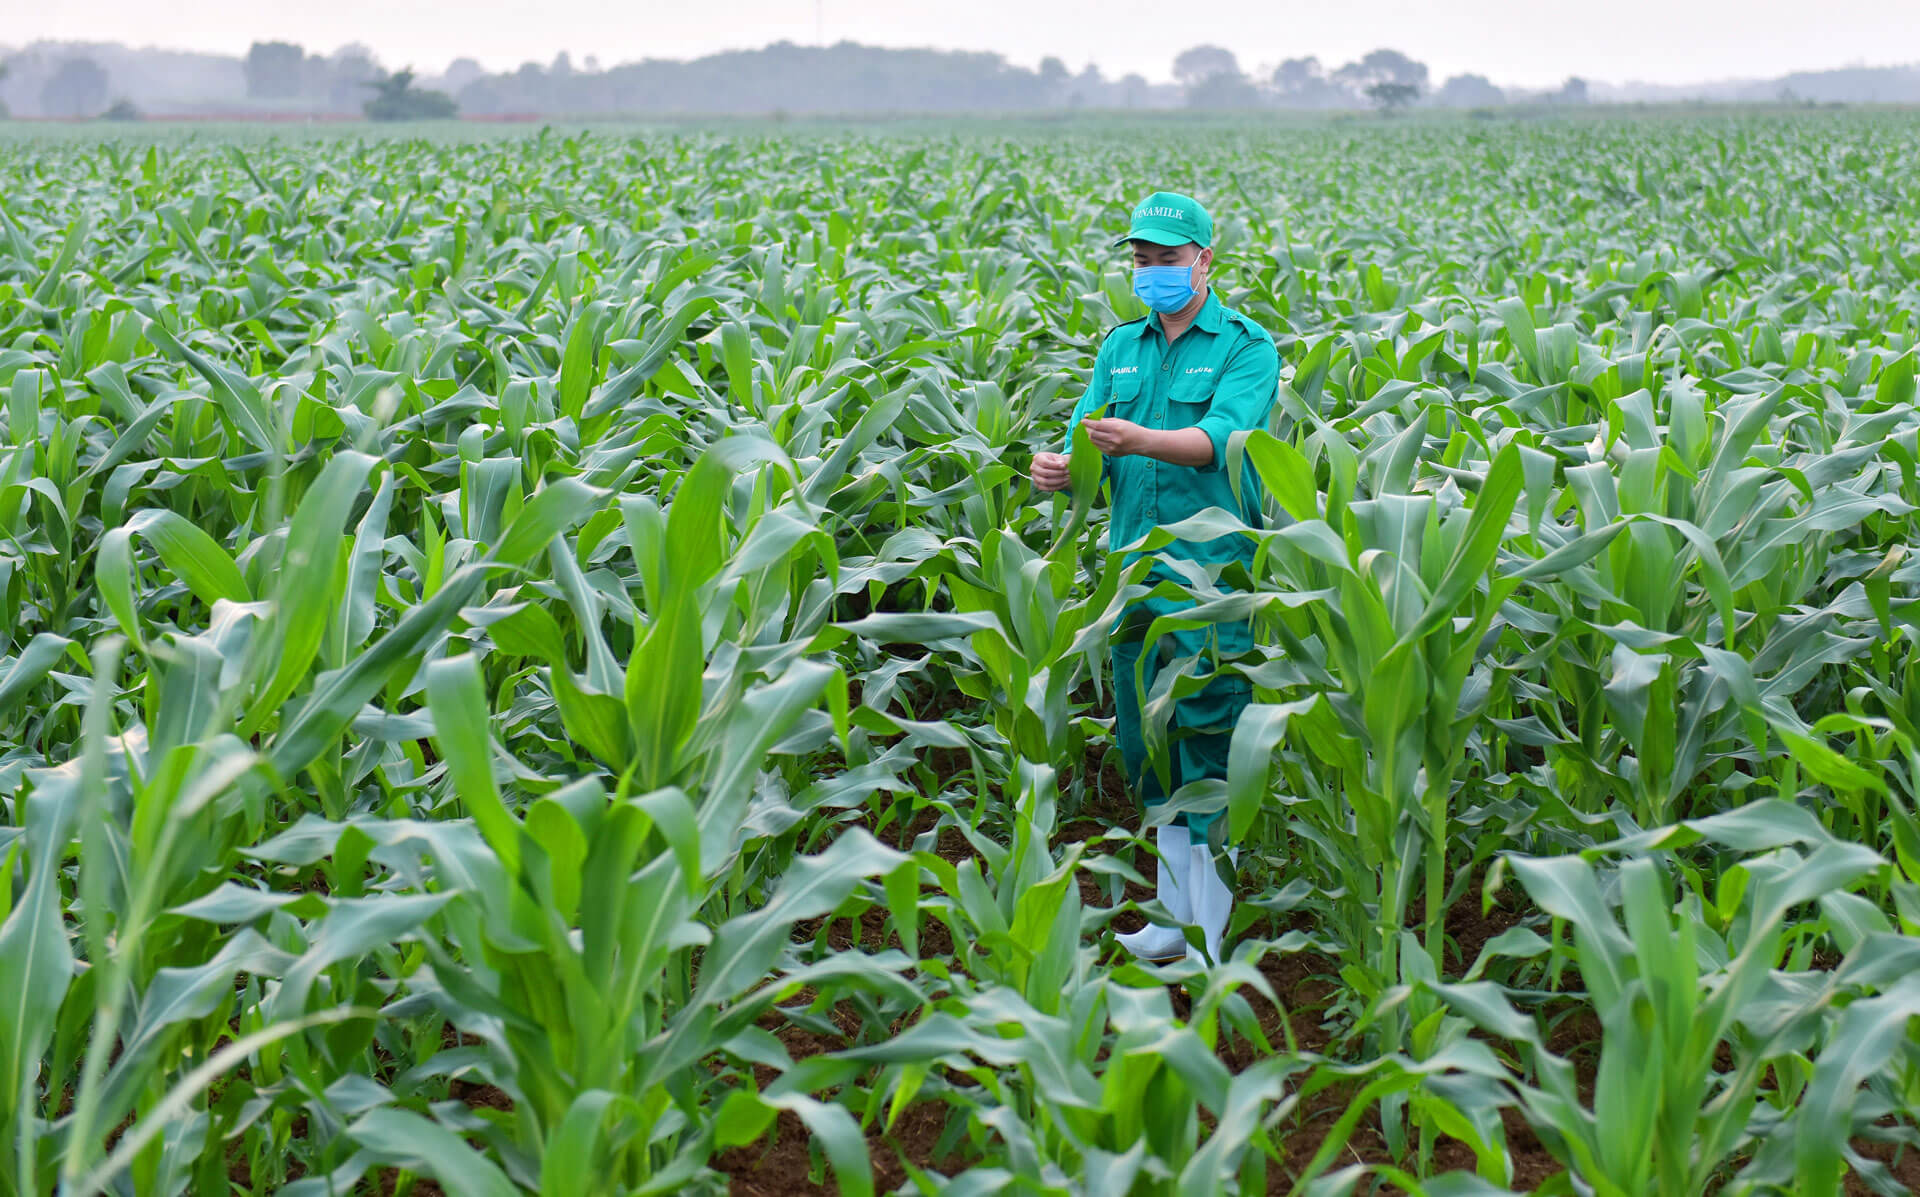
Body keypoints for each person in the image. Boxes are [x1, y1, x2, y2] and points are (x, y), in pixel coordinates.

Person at [1031, 190, 1277, 967]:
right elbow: (1091, 453)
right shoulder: (1120, 349)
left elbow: (1221, 442)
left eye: (1166, 260)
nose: (1151, 274)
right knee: (1150, 748)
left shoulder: (1245, 347)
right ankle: (1173, 917)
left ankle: (1212, 933)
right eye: (1141, 262)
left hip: (1209, 581)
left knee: (1207, 750)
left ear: (1204, 260)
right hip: (1132, 576)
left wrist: (1142, 437)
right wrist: (1059, 470)